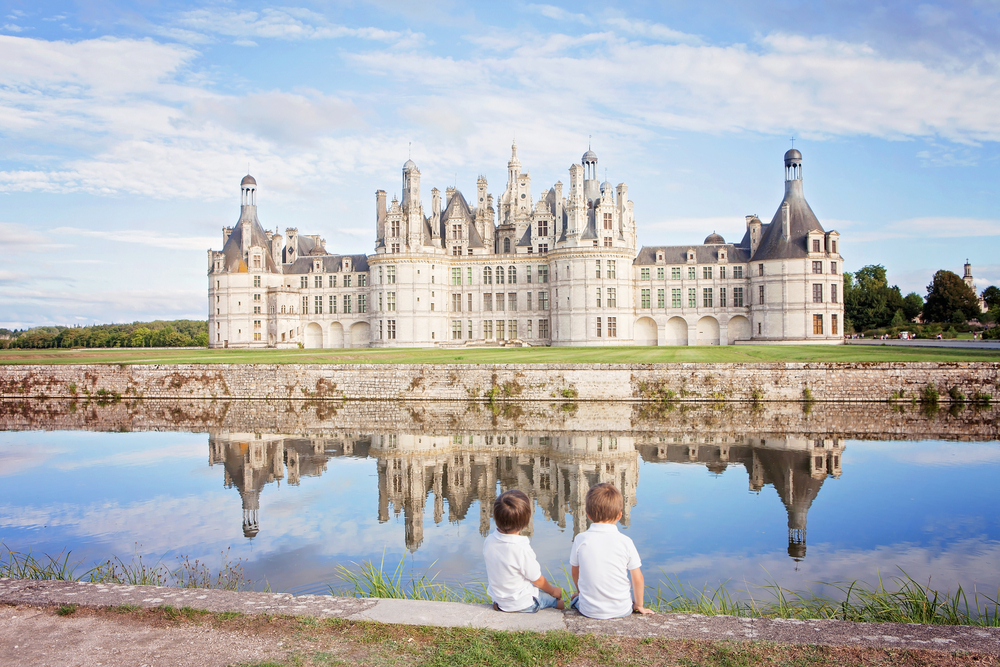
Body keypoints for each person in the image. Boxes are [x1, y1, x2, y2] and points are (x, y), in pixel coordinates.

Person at [569, 482, 654, 618]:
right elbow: (638, 579)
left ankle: (579, 598)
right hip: (622, 610)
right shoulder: (626, 542)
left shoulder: (580, 539)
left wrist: (580, 592)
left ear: (588, 515)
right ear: (620, 515)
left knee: (574, 599)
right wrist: (639, 605)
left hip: (588, 610)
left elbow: (575, 572)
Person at [484, 489, 564, 613]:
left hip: (499, 600)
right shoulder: (521, 548)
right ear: (526, 522)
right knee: (558, 602)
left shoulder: (489, 541)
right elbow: (537, 580)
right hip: (522, 602)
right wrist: (553, 591)